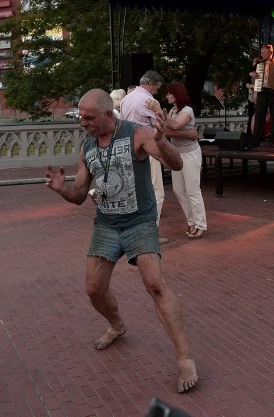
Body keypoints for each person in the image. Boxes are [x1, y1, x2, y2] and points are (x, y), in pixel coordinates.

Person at [44, 89, 198, 393]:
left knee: (155, 284)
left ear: (108, 115)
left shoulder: (136, 134)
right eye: (81, 118)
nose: (83, 123)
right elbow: (78, 195)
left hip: (139, 222)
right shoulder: (87, 147)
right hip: (106, 224)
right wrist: (61, 189)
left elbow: (176, 164)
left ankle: (185, 359)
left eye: (89, 118)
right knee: (93, 289)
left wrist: (164, 139)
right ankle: (117, 324)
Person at [121, 71, 167, 230]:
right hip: (148, 150)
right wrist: (159, 109)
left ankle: (135, 229)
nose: (156, 92)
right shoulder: (149, 100)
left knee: (135, 192)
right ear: (151, 84)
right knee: (156, 192)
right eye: (157, 88)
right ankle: (151, 232)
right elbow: (161, 127)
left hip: (129, 150)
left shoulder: (126, 99)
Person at [165, 82, 208, 239]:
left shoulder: (187, 110)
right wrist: (184, 133)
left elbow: (174, 126)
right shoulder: (172, 111)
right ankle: (191, 221)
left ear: (177, 94)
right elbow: (165, 131)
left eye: (170, 93)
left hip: (190, 154)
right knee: (178, 189)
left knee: (192, 191)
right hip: (177, 154)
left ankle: (200, 224)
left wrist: (161, 115)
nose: (167, 96)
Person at [248, 44, 274, 147]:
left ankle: (272, 139)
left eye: (263, 53)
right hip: (262, 93)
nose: (261, 54)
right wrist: (252, 74)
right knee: (259, 116)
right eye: (261, 53)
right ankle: (256, 139)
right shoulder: (259, 63)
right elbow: (250, 73)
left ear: (270, 53)